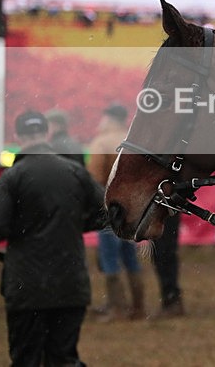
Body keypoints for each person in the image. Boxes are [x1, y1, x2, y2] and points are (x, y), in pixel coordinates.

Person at [0, 110, 105, 366]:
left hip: (27, 286)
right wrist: (75, 224)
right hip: (70, 283)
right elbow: (108, 211)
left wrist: (22, 228)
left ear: (18, 136)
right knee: (64, 357)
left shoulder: (13, 177)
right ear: (46, 134)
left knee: (26, 358)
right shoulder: (75, 172)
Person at [87, 103, 147, 320]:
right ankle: (138, 306)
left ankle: (117, 307)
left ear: (109, 118)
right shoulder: (134, 140)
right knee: (130, 257)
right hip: (132, 209)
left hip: (109, 209)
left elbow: (94, 179)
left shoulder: (101, 142)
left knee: (110, 257)